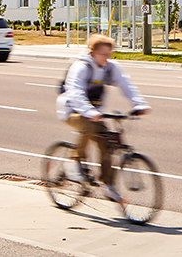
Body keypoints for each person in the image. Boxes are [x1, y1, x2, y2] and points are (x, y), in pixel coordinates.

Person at [56, 34, 150, 201]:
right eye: (103, 54)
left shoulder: (110, 67)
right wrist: (90, 112)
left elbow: (126, 85)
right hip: (71, 110)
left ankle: (107, 184)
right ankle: (73, 162)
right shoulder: (82, 67)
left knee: (107, 143)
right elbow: (75, 93)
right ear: (93, 52)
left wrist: (139, 104)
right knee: (89, 127)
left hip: (94, 113)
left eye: (109, 54)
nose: (107, 58)